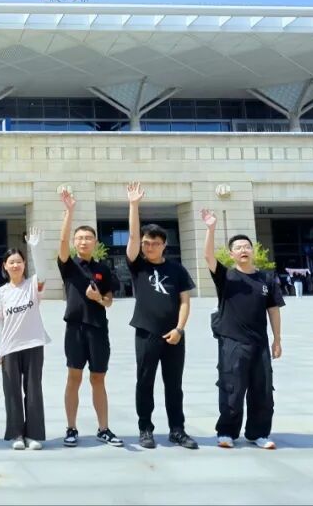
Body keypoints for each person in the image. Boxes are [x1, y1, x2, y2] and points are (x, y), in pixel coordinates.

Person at [202, 209, 284, 450]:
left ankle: (258, 433)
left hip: (260, 343)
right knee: (232, 388)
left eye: (247, 246)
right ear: (231, 254)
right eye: (238, 247)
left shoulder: (266, 279)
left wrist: (277, 339)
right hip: (232, 342)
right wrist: (211, 228)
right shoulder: (226, 276)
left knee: (263, 390)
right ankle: (226, 432)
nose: (243, 250)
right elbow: (208, 256)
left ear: (253, 250)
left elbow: (273, 310)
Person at [125, 182, 198, 450]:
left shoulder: (177, 270)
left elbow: (185, 301)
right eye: (146, 243)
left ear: (164, 245)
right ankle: (145, 429)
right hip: (146, 333)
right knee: (144, 382)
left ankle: (177, 430)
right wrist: (134, 205)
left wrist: (179, 329)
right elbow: (132, 237)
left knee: (174, 385)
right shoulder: (138, 266)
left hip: (174, 336)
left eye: (154, 243)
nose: (149, 247)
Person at [57, 191, 122, 448]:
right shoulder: (69, 265)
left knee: (98, 378)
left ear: (95, 242)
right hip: (75, 329)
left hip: (98, 329)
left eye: (88, 238)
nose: (83, 242)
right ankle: (71, 428)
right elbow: (62, 241)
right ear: (75, 242)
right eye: (79, 238)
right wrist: (69, 212)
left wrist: (98, 299)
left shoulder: (103, 269)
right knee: (74, 377)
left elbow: (109, 300)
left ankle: (103, 428)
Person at [0, 239, 50, 450]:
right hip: (9, 348)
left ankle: (33, 435)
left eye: (19, 261)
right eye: (11, 262)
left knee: (33, 390)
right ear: (5, 266)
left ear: (24, 264)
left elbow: (43, 272)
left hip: (33, 344)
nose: (15, 265)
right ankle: (16, 434)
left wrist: (35, 247)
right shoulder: (1, 293)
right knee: (12, 392)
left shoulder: (33, 285)